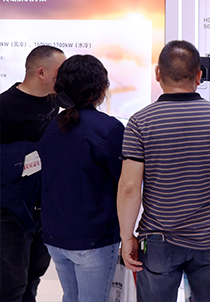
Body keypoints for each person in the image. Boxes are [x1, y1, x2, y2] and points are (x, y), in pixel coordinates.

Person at [117, 40, 210, 302]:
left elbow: (130, 188)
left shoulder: (140, 122)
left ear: (157, 73)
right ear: (199, 76)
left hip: (158, 239)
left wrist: (127, 236)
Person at [37, 55, 123, 302]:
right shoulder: (109, 129)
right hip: (93, 237)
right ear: (101, 88)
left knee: (70, 297)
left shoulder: (53, 126)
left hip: (54, 235)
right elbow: (125, 185)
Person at [0, 45, 65, 302]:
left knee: (34, 275)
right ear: (41, 72)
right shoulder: (5, 106)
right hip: (10, 210)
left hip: (43, 207)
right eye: (60, 72)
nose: (66, 77)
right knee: (11, 283)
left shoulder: (55, 101)